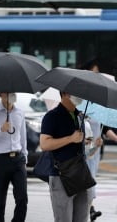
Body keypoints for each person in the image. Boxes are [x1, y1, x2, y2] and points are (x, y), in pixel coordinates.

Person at [40, 92, 89, 222]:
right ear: (65, 94)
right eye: (76, 92)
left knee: (82, 218)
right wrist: (71, 139)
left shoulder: (79, 116)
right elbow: (44, 144)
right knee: (63, 218)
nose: (80, 95)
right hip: (61, 174)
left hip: (80, 173)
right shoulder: (52, 116)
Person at [0, 92, 28, 222]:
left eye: (13, 92)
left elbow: (22, 138)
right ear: (0, 94)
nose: (12, 95)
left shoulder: (19, 112)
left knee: (22, 198)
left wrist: (25, 158)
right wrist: (0, 130)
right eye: (8, 93)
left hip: (18, 159)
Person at [84, 118, 103, 221]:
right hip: (81, 157)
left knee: (90, 184)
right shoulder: (82, 116)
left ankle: (90, 209)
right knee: (88, 186)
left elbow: (105, 130)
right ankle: (90, 209)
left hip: (93, 153)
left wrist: (96, 146)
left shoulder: (99, 115)